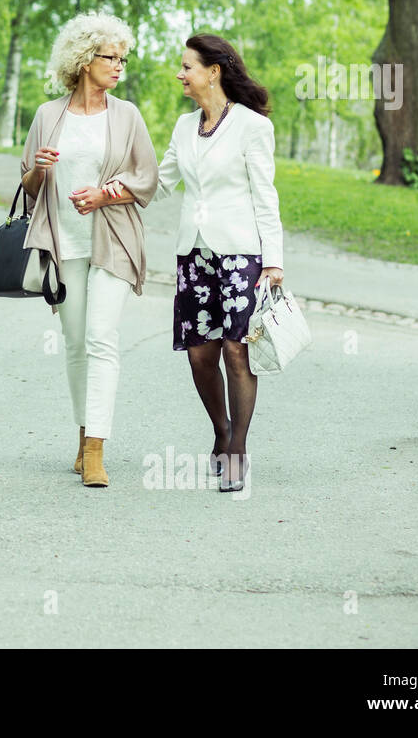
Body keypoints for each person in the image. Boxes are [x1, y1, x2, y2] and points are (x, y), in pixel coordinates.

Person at [19, 12, 159, 488]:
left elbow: (147, 179)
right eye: (110, 57)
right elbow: (29, 186)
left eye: (124, 58)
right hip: (65, 245)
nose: (119, 66)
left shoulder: (128, 116)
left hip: (114, 242)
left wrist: (105, 194)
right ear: (83, 60)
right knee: (76, 345)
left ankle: (97, 448)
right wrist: (38, 169)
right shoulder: (48, 115)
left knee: (101, 338)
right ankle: (83, 436)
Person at [151, 33, 284, 492]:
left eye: (187, 66)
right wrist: (111, 191)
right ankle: (220, 430)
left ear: (214, 71)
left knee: (235, 349)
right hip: (195, 253)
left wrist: (274, 262)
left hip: (241, 253)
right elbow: (159, 182)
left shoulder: (252, 127)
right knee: (200, 354)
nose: (180, 73)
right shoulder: (184, 127)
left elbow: (266, 196)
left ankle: (238, 449)